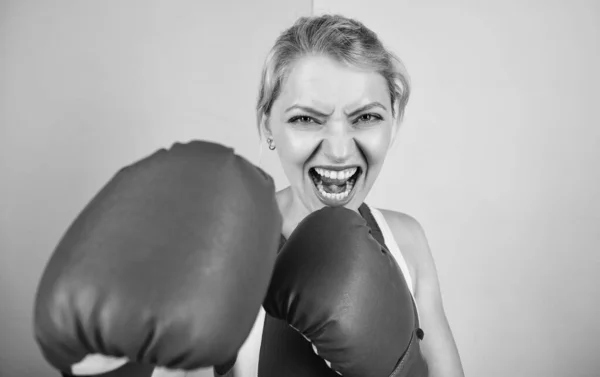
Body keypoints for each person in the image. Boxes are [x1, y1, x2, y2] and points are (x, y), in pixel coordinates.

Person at [225, 14, 465, 377]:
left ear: (393, 123)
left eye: (366, 117)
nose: (339, 150)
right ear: (267, 126)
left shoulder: (407, 241)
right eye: (306, 119)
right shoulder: (224, 248)